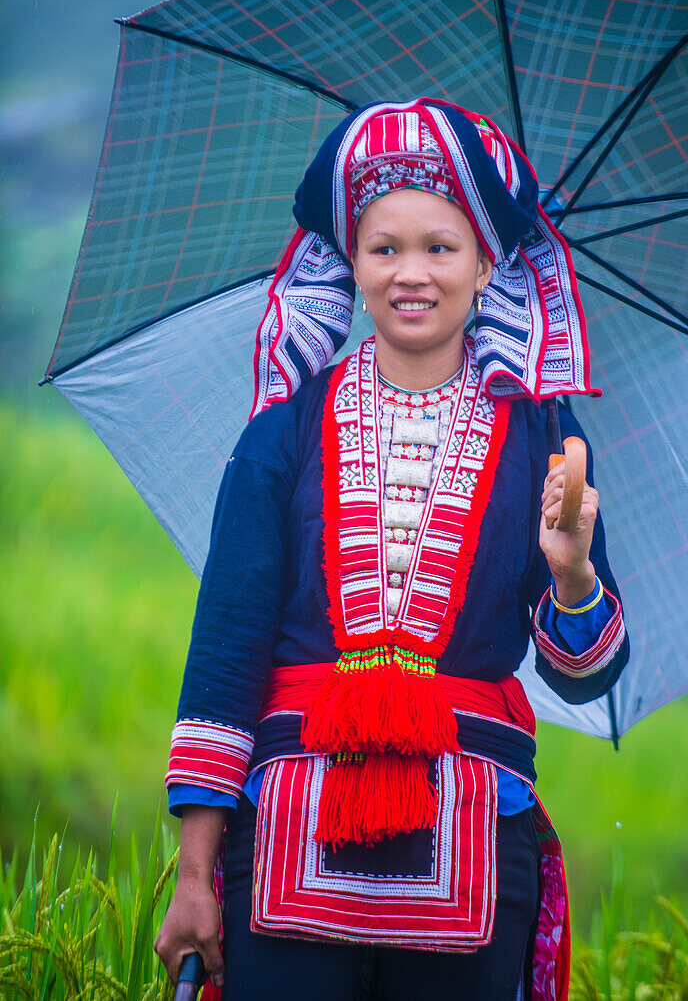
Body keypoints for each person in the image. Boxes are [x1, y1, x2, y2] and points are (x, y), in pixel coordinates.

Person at [154, 98, 628, 1001]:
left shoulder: (545, 440)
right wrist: (192, 875)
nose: (412, 274)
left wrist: (572, 573)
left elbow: (584, 674)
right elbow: (225, 650)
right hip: (284, 835)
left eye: (440, 248)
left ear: (489, 263)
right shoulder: (281, 432)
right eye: (385, 248)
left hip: (480, 838)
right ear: (352, 264)